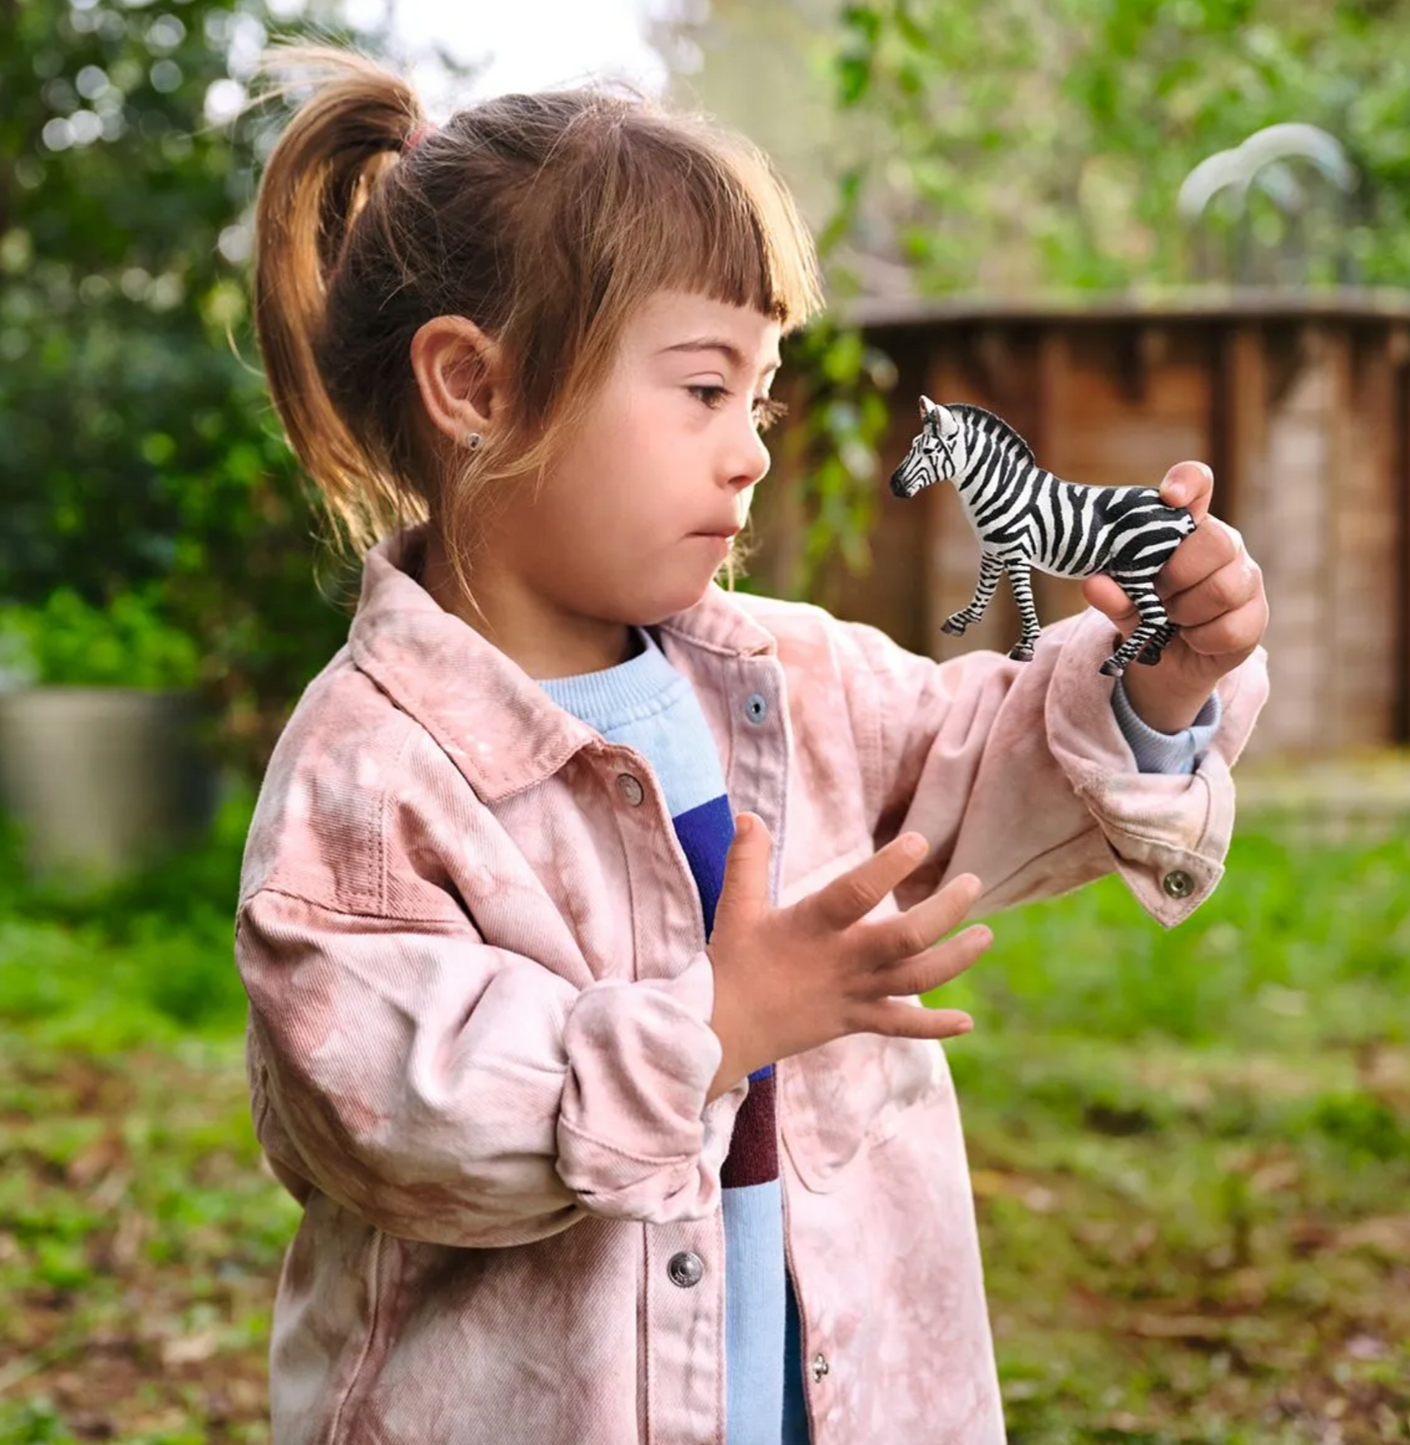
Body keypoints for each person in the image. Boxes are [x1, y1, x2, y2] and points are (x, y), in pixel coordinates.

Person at [234, 43, 1269, 1445]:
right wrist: (715, 1031)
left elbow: (992, 762)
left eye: (762, 396)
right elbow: (401, 1120)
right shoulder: (375, 774)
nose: (752, 452)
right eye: (704, 389)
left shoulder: (789, 676)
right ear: (474, 386)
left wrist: (1163, 675)